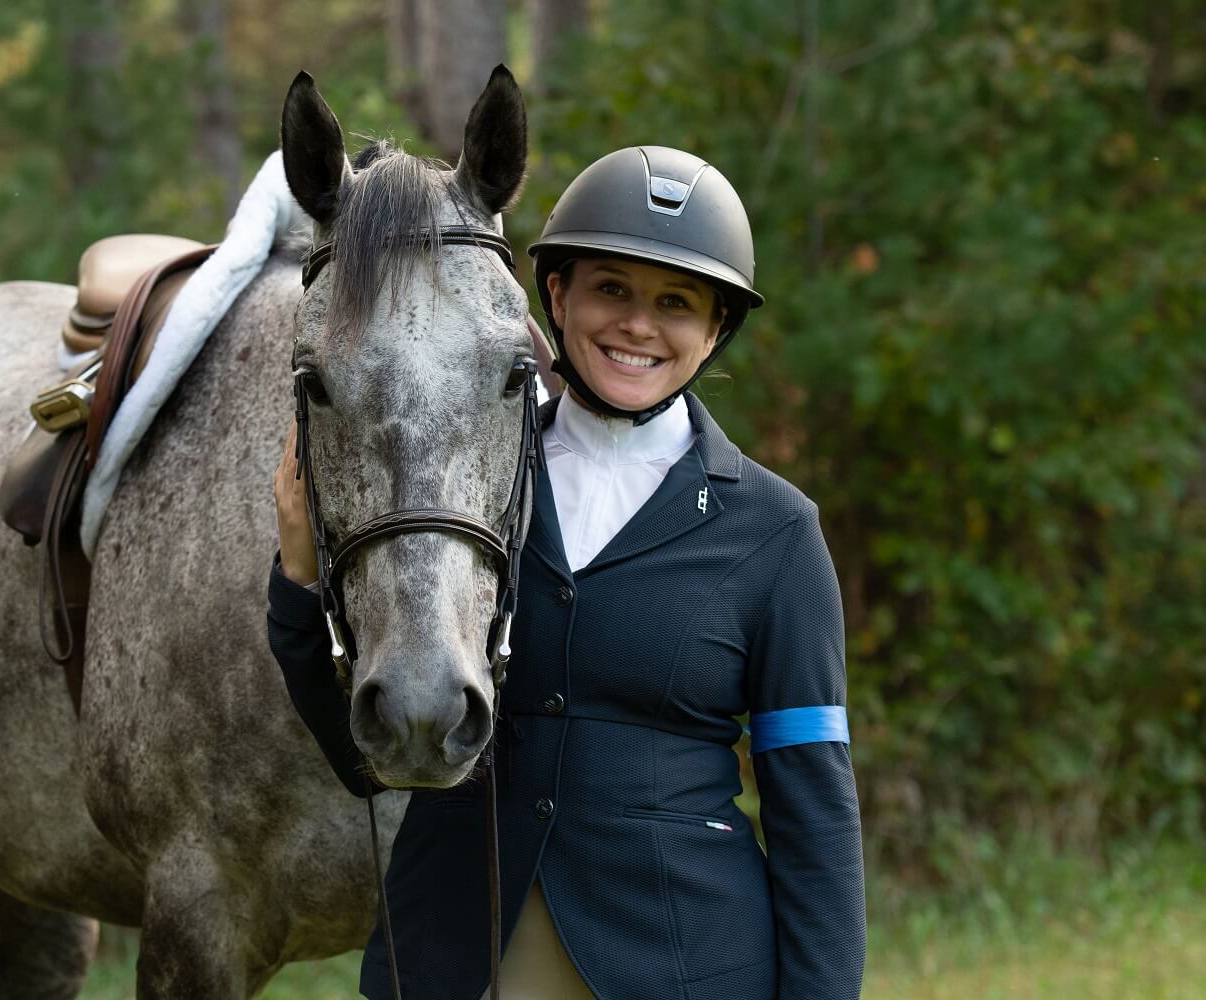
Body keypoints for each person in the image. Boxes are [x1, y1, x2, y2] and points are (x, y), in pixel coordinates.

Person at [267, 146, 865, 1000]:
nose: (637, 325)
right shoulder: (459, 492)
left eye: (676, 304)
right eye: (611, 289)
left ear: (715, 330)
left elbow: (814, 812)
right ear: (555, 296)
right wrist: (297, 584)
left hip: (683, 964)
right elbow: (363, 756)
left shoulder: (776, 534)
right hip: (458, 960)